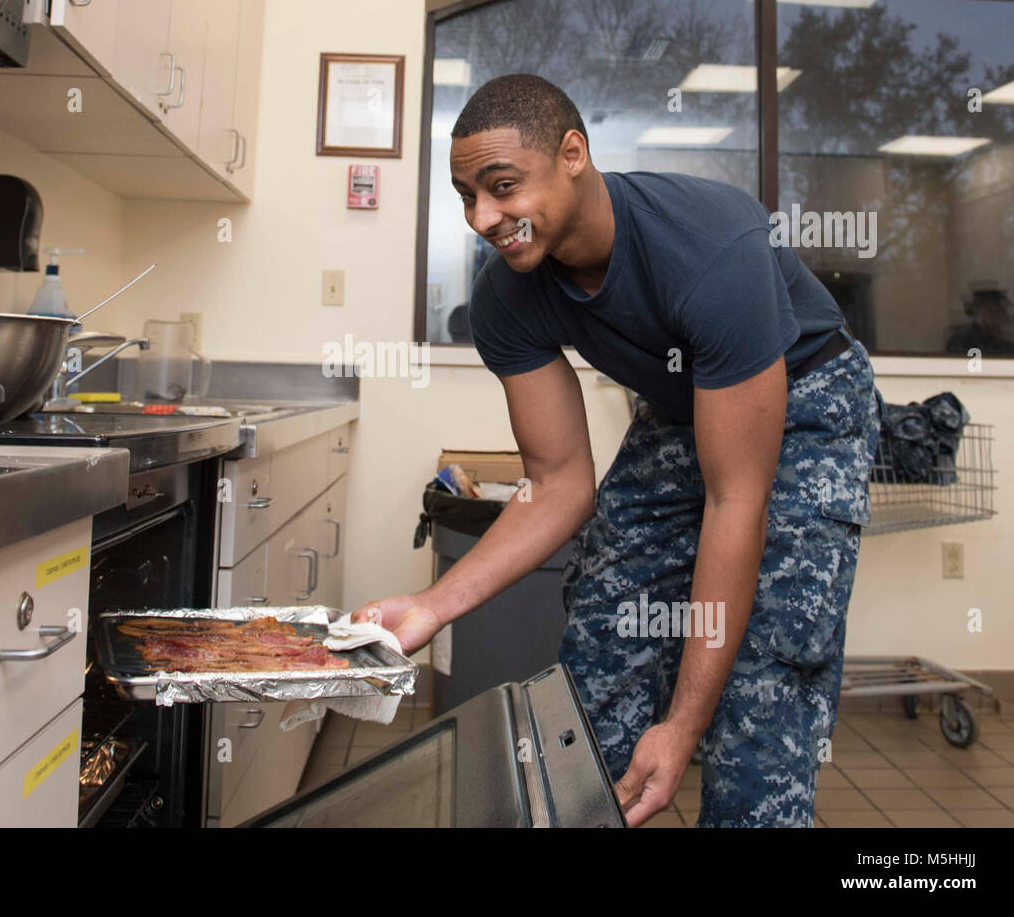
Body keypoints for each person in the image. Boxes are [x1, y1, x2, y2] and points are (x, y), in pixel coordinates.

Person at [351, 73, 883, 828]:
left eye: (502, 186)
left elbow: (738, 502)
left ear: (573, 153)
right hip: (679, 405)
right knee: (605, 629)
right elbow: (561, 483)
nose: (484, 217)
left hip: (807, 398)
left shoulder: (709, 245)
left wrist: (684, 725)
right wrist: (433, 607)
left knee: (765, 678)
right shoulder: (506, 295)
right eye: (467, 195)